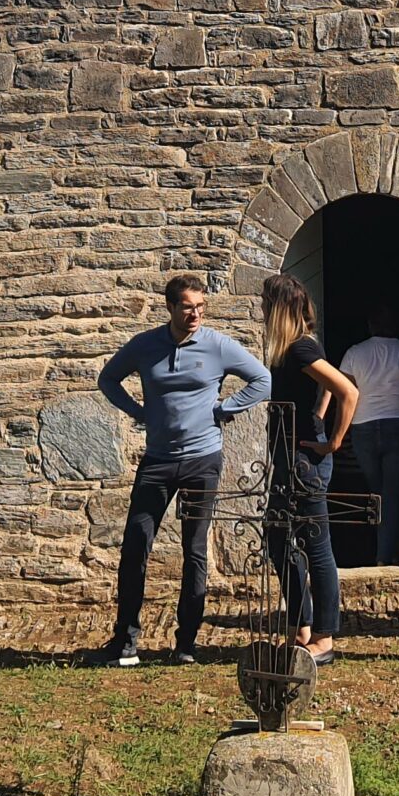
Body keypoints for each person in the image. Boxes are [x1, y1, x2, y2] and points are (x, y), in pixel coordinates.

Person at [89, 273, 270, 667]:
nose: (195, 315)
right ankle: (125, 642)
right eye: (187, 307)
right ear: (170, 306)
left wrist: (224, 410)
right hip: (157, 461)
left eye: (200, 308)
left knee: (195, 550)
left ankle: (186, 644)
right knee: (136, 542)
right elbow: (108, 379)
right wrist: (138, 412)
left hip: (203, 461)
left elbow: (262, 379)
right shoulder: (146, 346)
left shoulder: (217, 346)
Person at [259, 274, 358, 664]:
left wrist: (331, 441)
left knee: (316, 545)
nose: (262, 310)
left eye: (267, 304)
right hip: (290, 458)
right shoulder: (297, 348)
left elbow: (347, 389)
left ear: (278, 308)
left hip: (303, 462)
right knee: (278, 539)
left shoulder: (300, 349)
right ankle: (302, 626)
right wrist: (317, 414)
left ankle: (323, 638)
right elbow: (332, 385)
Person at [338, 301, 399, 565]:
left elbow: (345, 394)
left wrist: (339, 431)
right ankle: (385, 557)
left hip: (363, 427)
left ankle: (380, 551)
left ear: (370, 326)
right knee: (394, 494)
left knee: (377, 492)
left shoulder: (354, 353)